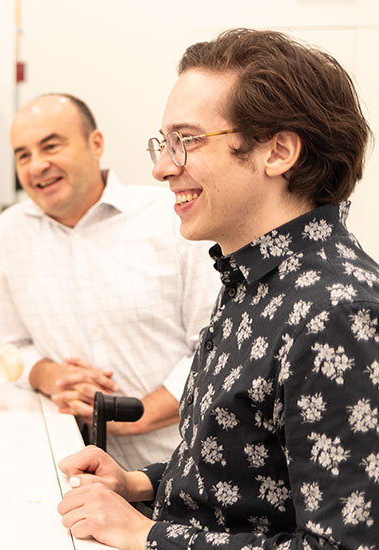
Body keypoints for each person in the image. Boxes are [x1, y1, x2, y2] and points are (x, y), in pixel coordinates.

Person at [57, 28, 378, 550]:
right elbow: (249, 474)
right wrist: (138, 482)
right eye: (164, 143)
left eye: (185, 141)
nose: (162, 167)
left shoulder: (337, 315)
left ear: (278, 152)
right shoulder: (256, 278)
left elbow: (342, 546)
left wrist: (149, 536)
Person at [0, 93, 220, 470]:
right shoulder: (10, 230)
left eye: (51, 146)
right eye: (23, 155)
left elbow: (214, 349)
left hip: (183, 469)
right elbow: (13, 346)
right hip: (68, 464)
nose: (37, 166)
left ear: (95, 144)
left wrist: (142, 413)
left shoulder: (172, 216)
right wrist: (51, 376)